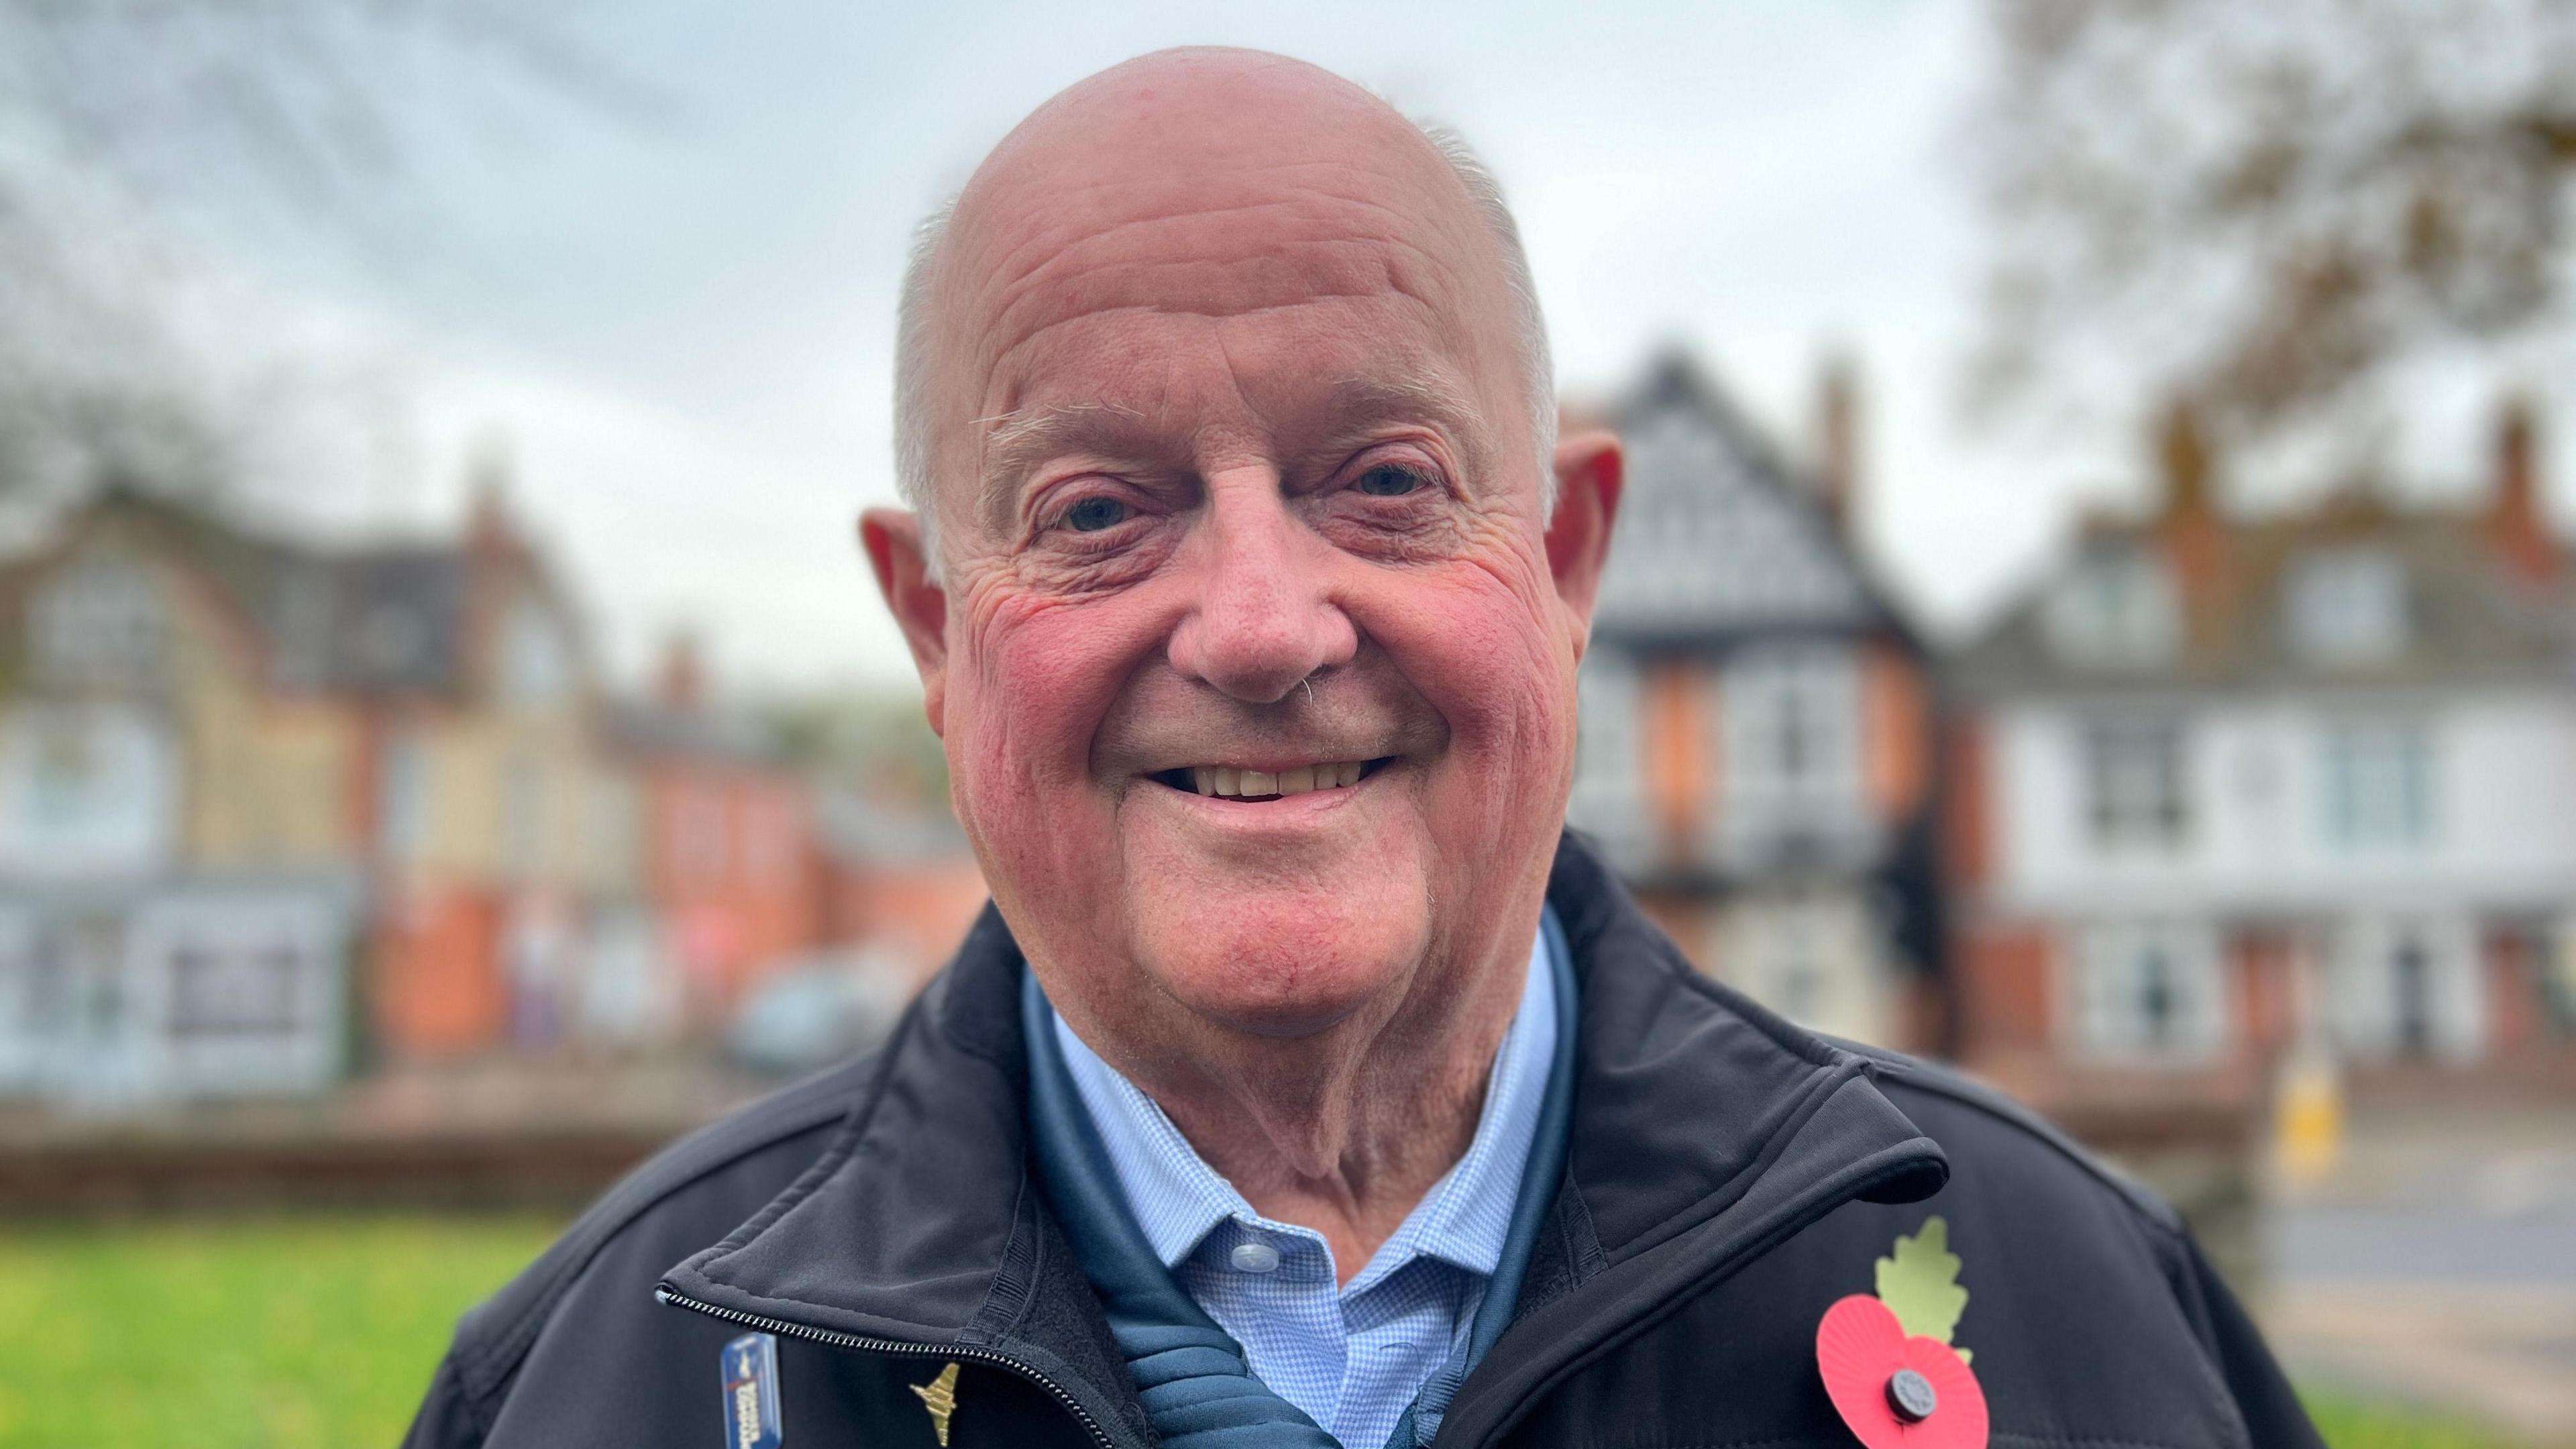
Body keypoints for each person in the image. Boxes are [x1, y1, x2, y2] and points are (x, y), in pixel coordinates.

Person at [405, 48, 2323, 1449]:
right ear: (933, 626)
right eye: (1094, 513)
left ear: (1565, 558)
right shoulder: (600, 1387)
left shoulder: (2070, 1306)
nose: (1259, 623)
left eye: (1386, 483)